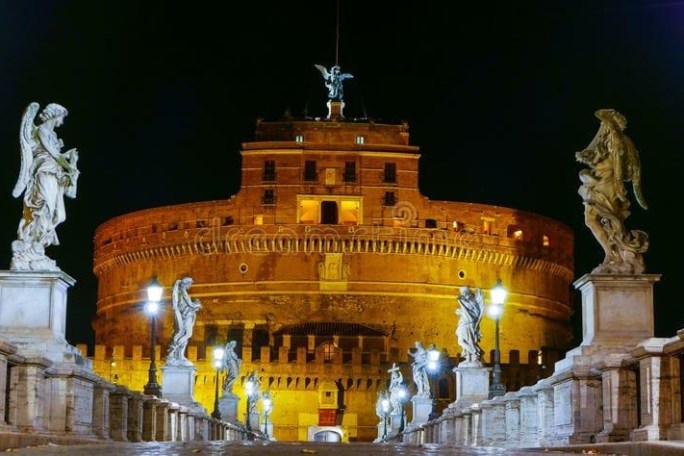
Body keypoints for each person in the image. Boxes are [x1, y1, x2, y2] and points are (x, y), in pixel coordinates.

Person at [576, 109, 649, 274]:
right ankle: (611, 253)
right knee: (591, 220)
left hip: (607, 183)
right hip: (597, 183)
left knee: (609, 220)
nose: (603, 127)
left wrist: (619, 185)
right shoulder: (606, 141)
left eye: (605, 124)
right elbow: (593, 158)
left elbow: (618, 165)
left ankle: (623, 250)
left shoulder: (619, 141)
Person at [12, 102, 80, 271]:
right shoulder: (42, 130)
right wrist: (69, 166)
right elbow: (53, 154)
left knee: (60, 215)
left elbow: (57, 155)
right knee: (44, 209)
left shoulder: (52, 134)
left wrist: (70, 157)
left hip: (54, 174)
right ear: (55, 115)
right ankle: (32, 247)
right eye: (61, 118)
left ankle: (37, 247)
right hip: (44, 172)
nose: (62, 122)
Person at [166, 277, 202, 364]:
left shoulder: (180, 292)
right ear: (186, 284)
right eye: (190, 284)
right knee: (187, 334)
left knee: (184, 336)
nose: (190, 285)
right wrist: (197, 306)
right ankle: (172, 349)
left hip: (185, 315)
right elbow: (189, 304)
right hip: (185, 316)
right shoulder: (182, 291)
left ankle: (180, 355)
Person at [456, 286, 484, 364]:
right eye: (461, 291)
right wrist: (460, 312)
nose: (462, 293)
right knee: (466, 341)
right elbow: (466, 311)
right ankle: (469, 358)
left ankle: (475, 353)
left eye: (463, 291)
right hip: (463, 323)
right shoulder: (465, 299)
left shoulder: (471, 299)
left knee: (462, 341)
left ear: (467, 291)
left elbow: (476, 312)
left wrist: (462, 306)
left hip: (468, 324)